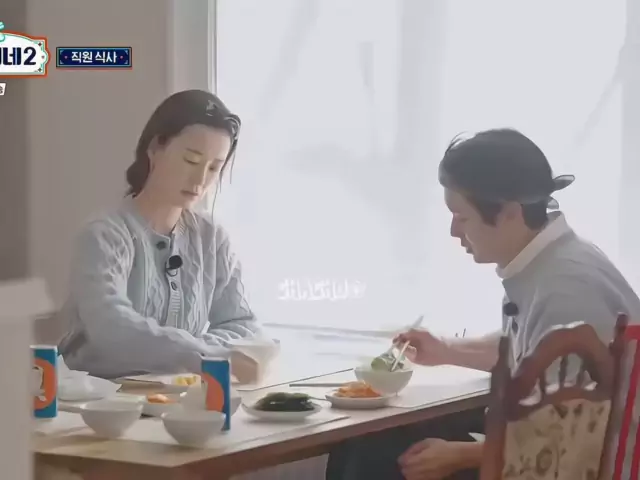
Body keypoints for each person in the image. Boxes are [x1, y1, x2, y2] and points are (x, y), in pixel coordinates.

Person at [326, 128, 640, 480]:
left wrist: (461, 455)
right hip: (551, 447)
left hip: (574, 465)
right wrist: (446, 349)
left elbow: (575, 435)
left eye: (462, 217)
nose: (453, 231)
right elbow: (529, 351)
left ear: (509, 213)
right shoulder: (555, 260)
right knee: (370, 438)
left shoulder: (565, 292)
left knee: (375, 456)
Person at [58, 90, 263, 382]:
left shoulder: (212, 238)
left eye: (214, 168)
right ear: (155, 148)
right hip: (95, 398)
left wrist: (201, 351)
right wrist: (202, 355)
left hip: (178, 395)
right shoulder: (104, 235)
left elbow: (243, 323)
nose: (200, 180)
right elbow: (111, 327)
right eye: (191, 160)